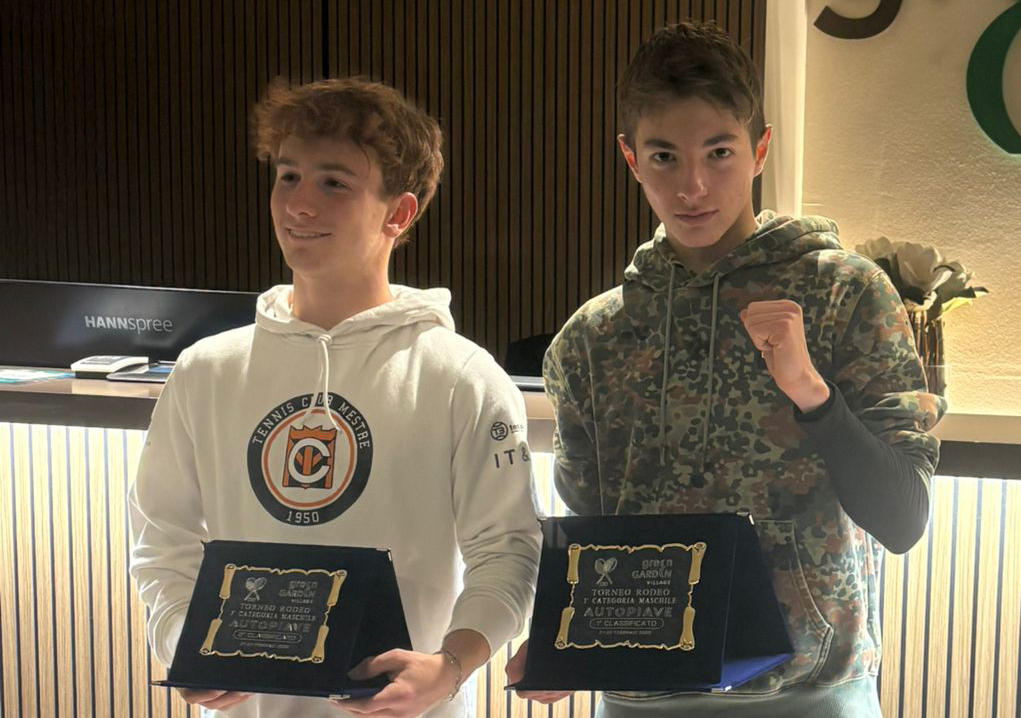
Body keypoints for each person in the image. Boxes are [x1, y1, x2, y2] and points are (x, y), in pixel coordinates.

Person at [506, 20, 945, 717]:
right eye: (664, 157)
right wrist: (567, 639)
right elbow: (595, 532)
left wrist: (811, 394)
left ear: (759, 149)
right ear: (630, 158)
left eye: (719, 152)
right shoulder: (593, 339)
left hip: (812, 693)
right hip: (640, 697)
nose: (693, 186)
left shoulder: (844, 295)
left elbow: (904, 520)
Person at [129, 76, 541, 718]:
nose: (298, 205)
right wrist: (185, 641)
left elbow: (507, 550)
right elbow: (162, 538)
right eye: (288, 176)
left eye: (333, 183)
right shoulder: (206, 370)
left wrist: (449, 667)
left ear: (398, 213)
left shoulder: (461, 375)